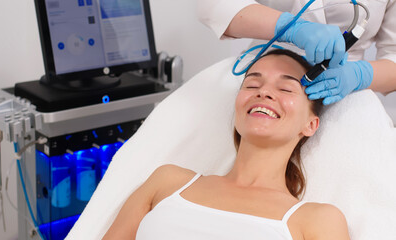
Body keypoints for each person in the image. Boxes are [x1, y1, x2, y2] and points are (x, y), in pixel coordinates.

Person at [101, 49, 350, 240]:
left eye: (286, 88)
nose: (263, 92)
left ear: (310, 125)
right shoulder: (167, 181)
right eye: (252, 84)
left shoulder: (318, 220)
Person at [197, 0, 396, 105]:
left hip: (342, 93)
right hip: (259, 69)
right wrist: (289, 27)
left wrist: (359, 75)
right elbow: (213, 4)